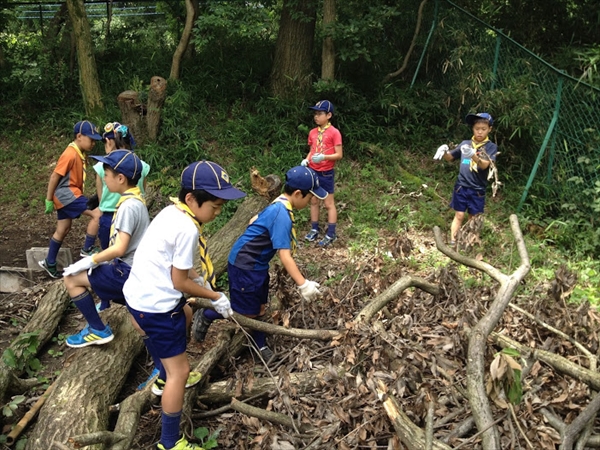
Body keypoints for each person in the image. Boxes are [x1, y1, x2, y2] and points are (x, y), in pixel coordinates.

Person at [123, 161, 246, 450]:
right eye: (215, 206)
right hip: (156, 306)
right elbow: (179, 283)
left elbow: (171, 260)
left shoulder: (171, 212)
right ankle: (170, 441)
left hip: (137, 297)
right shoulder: (188, 229)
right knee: (181, 372)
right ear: (192, 199)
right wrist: (215, 296)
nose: (217, 213)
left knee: (187, 312)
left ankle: (163, 375)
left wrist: (196, 276)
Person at [192, 166, 326, 363]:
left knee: (260, 307)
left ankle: (259, 343)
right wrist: (303, 284)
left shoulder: (279, 204)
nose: (312, 201)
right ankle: (208, 313)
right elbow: (284, 256)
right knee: (245, 311)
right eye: (310, 197)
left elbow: (252, 219)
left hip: (257, 266)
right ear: (298, 194)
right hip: (245, 265)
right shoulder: (281, 214)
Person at [61, 150, 150, 347]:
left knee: (71, 278)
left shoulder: (128, 206)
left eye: (106, 173)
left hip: (127, 272)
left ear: (120, 178)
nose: (103, 177)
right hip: (137, 272)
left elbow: (120, 247)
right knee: (139, 320)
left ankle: (97, 329)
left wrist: (91, 260)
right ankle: (162, 368)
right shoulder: (136, 200)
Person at [39, 120, 103, 278]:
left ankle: (50, 262)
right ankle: (87, 248)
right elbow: (55, 175)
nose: (93, 143)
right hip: (67, 194)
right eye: (91, 139)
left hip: (68, 195)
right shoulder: (70, 153)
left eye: (95, 140)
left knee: (63, 228)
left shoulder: (79, 153)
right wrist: (48, 198)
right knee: (98, 214)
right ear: (79, 136)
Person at [433, 112, 498, 245]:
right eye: (476, 129)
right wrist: (444, 151)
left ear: (490, 129)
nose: (480, 132)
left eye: (483, 129)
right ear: (472, 129)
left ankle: (469, 243)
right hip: (461, 186)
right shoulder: (465, 143)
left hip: (478, 189)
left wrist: (473, 155)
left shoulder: (491, 147)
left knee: (473, 218)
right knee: (459, 215)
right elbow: (451, 157)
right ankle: (453, 241)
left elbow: (485, 165)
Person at [92, 122, 150, 250]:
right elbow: (142, 192)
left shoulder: (103, 167)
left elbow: (101, 197)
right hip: (136, 218)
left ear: (108, 141)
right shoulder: (143, 166)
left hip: (109, 215)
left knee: (109, 252)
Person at [301, 100, 343, 247]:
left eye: (320, 114)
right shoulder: (313, 132)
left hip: (326, 172)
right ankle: (314, 228)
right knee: (313, 200)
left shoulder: (334, 133)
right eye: (315, 114)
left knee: (328, 203)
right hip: (313, 170)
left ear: (329, 115)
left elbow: (339, 154)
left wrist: (324, 157)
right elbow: (312, 150)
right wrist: (306, 160)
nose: (316, 117)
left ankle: (331, 233)